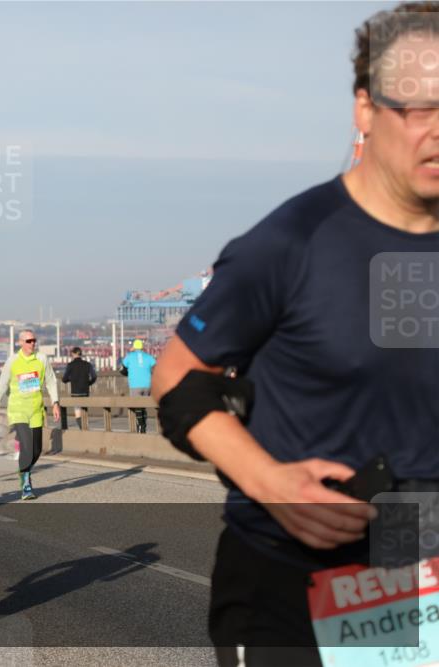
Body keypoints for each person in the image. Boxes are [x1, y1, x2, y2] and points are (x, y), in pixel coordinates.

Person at [153, 5, 439, 664]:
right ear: (364, 110)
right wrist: (270, 480)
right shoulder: (291, 242)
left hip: (414, 568)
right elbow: (175, 379)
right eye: (417, 108)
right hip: (294, 579)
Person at [0, 329, 60, 500]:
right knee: (27, 446)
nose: (32, 343)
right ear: (20, 343)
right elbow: (2, 385)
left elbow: (51, 381)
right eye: (28, 341)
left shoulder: (42, 359)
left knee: (36, 450)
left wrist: (55, 402)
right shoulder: (12, 361)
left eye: (34, 340)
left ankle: (24, 470)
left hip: (36, 410)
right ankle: (26, 483)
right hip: (18, 410)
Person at [122, 339, 156, 433]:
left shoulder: (129, 356)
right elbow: (155, 366)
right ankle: (143, 424)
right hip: (148, 385)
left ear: (134, 347)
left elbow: (123, 367)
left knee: (137, 406)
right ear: (142, 347)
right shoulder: (148, 357)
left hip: (135, 385)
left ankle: (141, 426)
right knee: (143, 406)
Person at [62, 346, 96, 430]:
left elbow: (64, 379)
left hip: (75, 393)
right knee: (84, 411)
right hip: (85, 392)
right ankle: (85, 428)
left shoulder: (70, 365)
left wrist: (71, 379)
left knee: (78, 413)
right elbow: (94, 376)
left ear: (73, 354)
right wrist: (89, 383)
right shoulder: (88, 365)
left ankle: (83, 429)